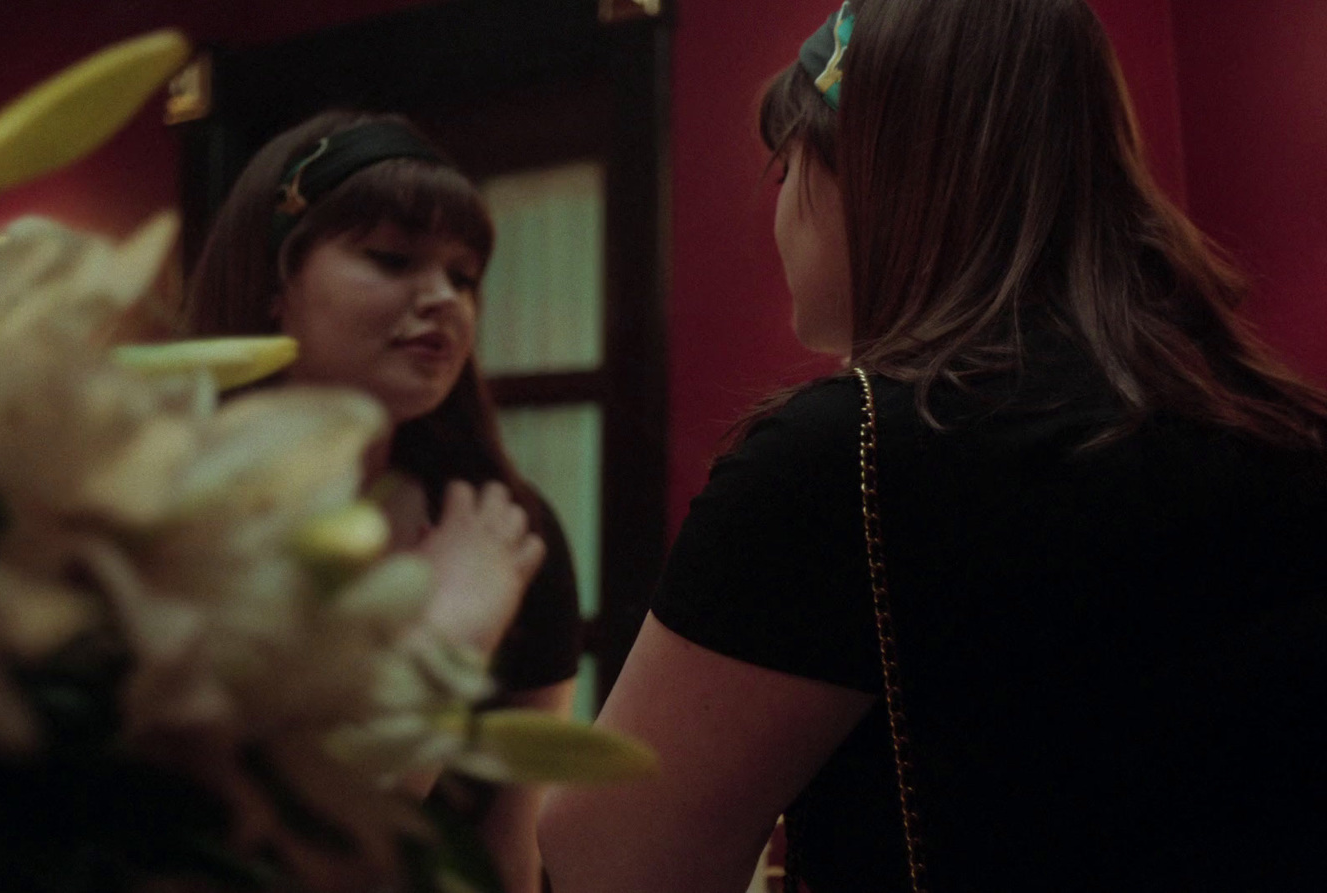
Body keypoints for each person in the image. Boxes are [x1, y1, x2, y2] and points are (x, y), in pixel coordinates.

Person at [538, 1, 1327, 891]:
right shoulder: (1283, 429)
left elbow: (605, 855)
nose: (780, 212)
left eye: (785, 165)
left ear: (869, 177)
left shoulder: (845, 458)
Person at [183, 110, 582, 893]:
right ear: (272, 286)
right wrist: (449, 635)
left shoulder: (507, 528)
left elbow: (510, 853)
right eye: (392, 258)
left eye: (464, 275)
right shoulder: (180, 524)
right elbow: (286, 854)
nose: (442, 298)